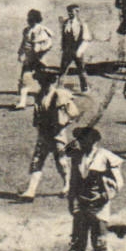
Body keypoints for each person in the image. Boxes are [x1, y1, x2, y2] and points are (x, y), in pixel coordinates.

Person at [64, 126, 124, 251]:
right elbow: (73, 179)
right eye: (80, 140)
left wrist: (105, 197)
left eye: (85, 139)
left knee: (99, 244)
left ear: (93, 141)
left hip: (99, 206)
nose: (82, 142)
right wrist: (71, 201)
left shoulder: (105, 156)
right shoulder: (77, 156)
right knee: (78, 242)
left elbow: (119, 182)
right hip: (81, 203)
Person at [20, 69, 78, 200]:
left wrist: (63, 123)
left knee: (61, 161)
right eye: (41, 81)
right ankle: (31, 191)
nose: (42, 83)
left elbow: (74, 112)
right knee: (37, 160)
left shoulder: (60, 94)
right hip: (43, 134)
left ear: (52, 81)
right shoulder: (40, 95)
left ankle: (67, 185)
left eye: (44, 81)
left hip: (57, 134)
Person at [15, 9, 57, 110]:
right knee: (24, 79)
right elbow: (23, 43)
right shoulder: (26, 30)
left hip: (40, 60)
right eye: (29, 18)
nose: (30, 21)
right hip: (29, 60)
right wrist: (20, 53)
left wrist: (40, 51)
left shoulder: (41, 30)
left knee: (45, 82)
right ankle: (22, 102)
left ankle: (53, 99)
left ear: (37, 20)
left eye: (32, 19)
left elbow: (48, 44)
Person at [59, 4, 91, 93]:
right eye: (69, 12)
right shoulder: (66, 23)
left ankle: (84, 87)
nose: (70, 14)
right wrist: (63, 47)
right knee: (62, 70)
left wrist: (80, 51)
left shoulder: (82, 24)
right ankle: (59, 87)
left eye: (72, 12)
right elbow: (63, 36)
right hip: (67, 51)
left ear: (77, 12)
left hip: (77, 50)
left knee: (81, 70)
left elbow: (86, 39)